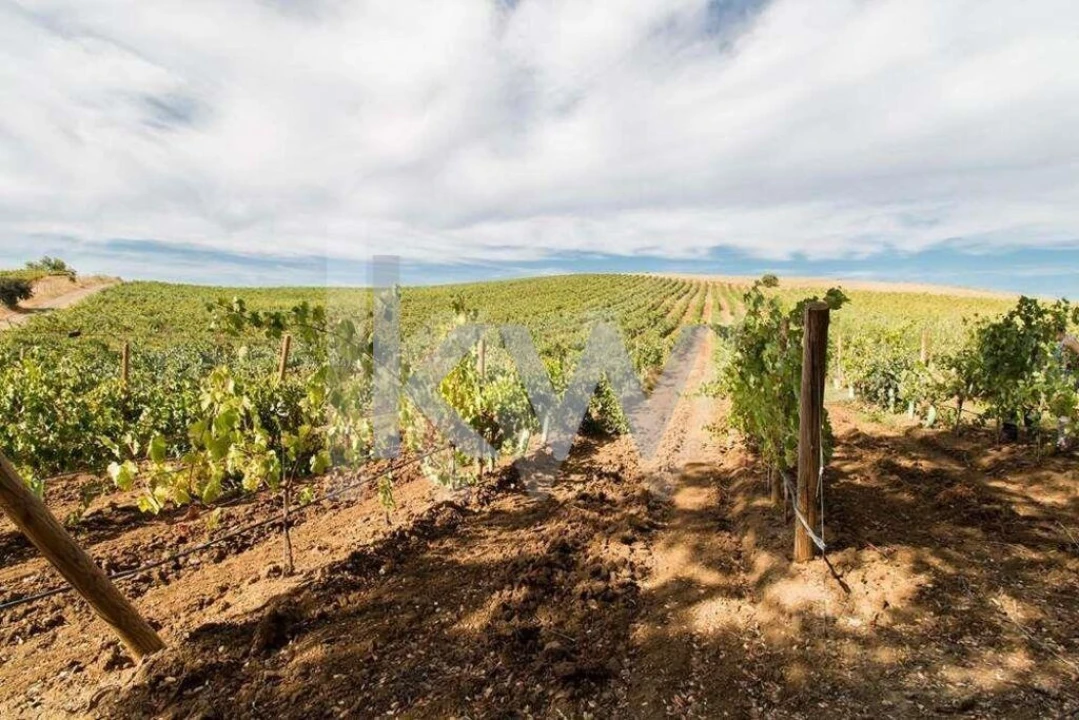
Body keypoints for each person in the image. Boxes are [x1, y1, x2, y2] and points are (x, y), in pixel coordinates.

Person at [1055, 324, 1079, 450]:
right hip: (1062, 381)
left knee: (1064, 410)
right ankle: (1063, 440)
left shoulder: (1069, 341)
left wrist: (1073, 367)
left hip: (1069, 381)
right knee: (1062, 410)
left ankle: (1064, 442)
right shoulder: (1060, 343)